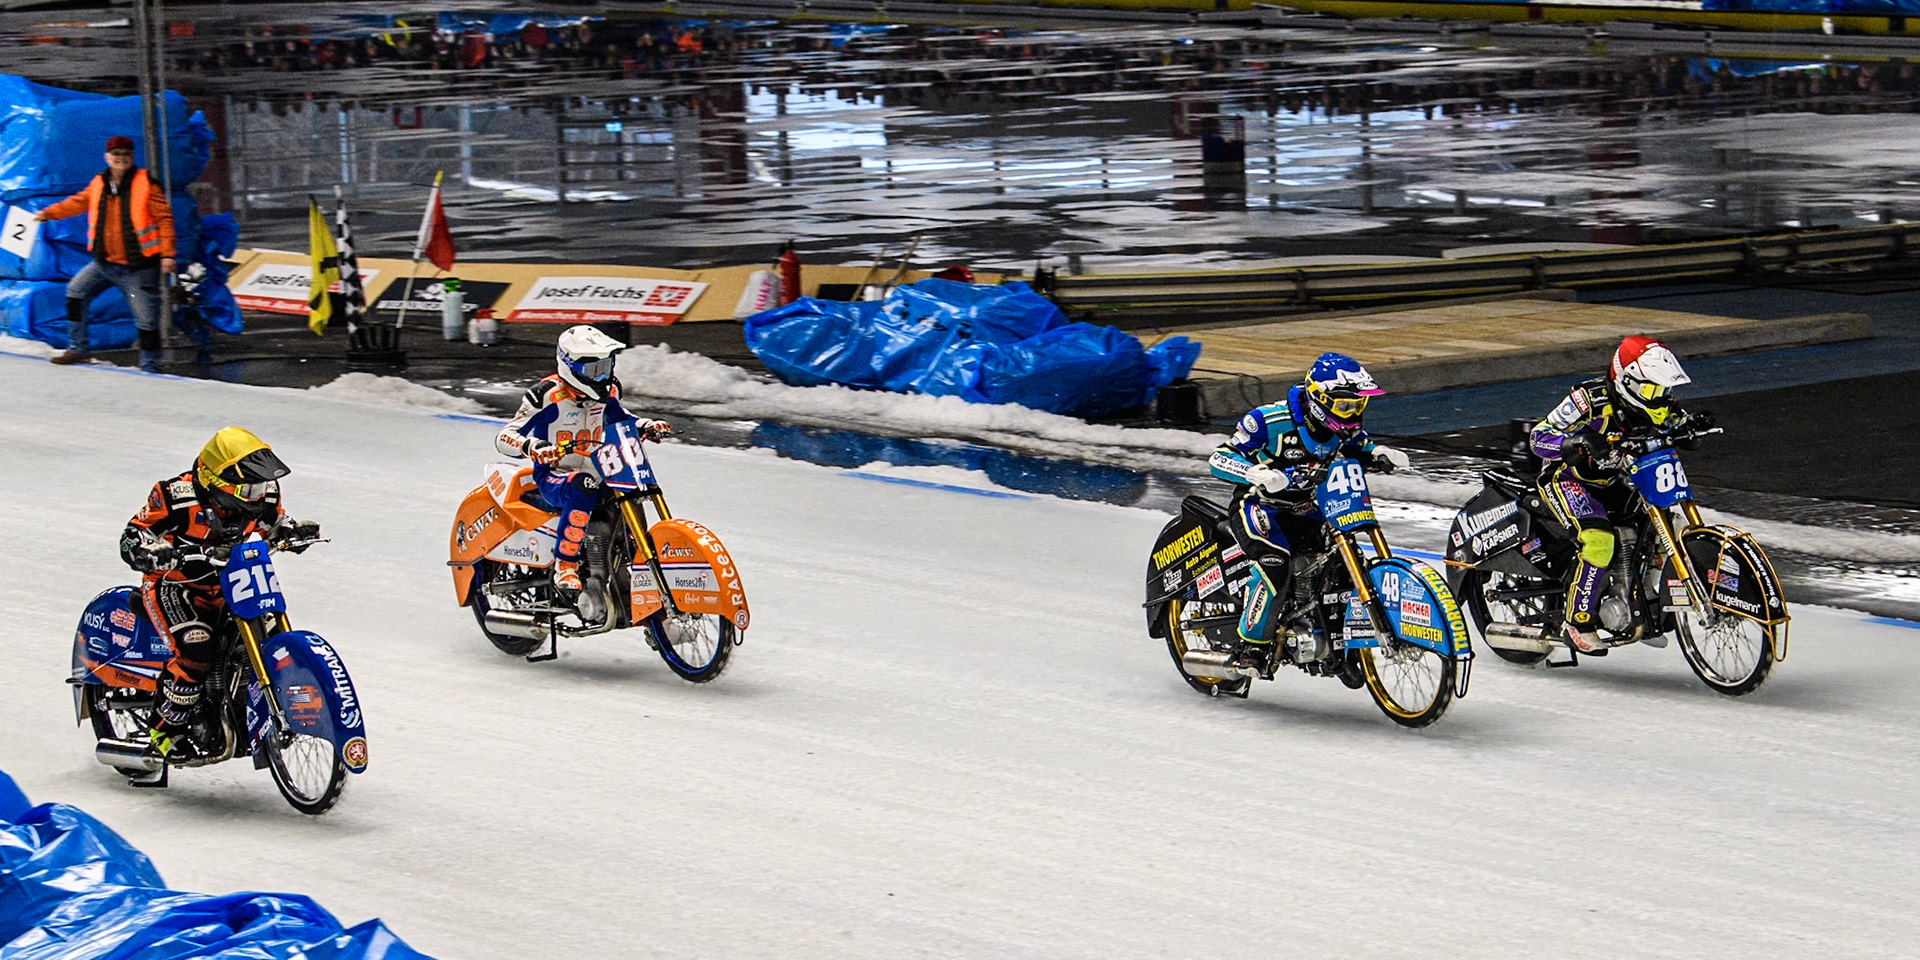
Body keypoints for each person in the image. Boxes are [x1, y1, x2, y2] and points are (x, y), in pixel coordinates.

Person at [120, 427, 319, 761]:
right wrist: (151, 551)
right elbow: (133, 535)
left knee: (267, 635)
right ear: (216, 481)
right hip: (176, 584)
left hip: (234, 579)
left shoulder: (266, 493)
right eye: (248, 487)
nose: (258, 494)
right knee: (197, 649)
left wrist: (291, 532)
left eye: (261, 485)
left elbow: (274, 522)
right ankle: (164, 729)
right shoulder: (174, 495)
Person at [1208, 352, 1409, 666]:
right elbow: (1219, 458)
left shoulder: (1343, 429)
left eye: (1358, 406)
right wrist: (1256, 473)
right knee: (1275, 562)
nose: (1352, 414)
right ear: (1318, 399)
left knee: (1341, 561)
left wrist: (1379, 453)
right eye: (1345, 406)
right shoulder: (1267, 420)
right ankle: (1251, 647)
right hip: (1259, 505)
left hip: (1309, 506)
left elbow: (1361, 446)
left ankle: (1336, 642)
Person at [1529, 336, 1711, 653]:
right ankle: (1577, 623)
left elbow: (1676, 421)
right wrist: (1572, 445)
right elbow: (1539, 437)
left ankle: (1645, 601)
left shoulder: (1657, 401)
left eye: (1664, 390)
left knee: (1665, 527)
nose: (1660, 398)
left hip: (1619, 478)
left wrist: (1693, 425)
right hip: (1570, 479)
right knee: (1600, 541)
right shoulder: (1589, 400)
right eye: (1652, 390)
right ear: (1627, 381)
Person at [495, 326, 672, 615]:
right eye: (593, 369)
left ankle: (631, 570)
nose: (601, 376)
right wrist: (533, 447)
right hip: (555, 475)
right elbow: (505, 435)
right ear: (569, 367)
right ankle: (565, 565)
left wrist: (646, 426)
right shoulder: (547, 396)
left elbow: (621, 419)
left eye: (605, 367)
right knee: (583, 486)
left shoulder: (608, 393)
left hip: (599, 469)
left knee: (625, 491)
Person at [34, 135, 177, 371]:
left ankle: (151, 366)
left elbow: (164, 220)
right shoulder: (99, 182)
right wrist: (47, 214)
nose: (120, 159)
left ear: (132, 158)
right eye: (116, 154)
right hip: (104, 264)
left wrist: (168, 255)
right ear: (107, 157)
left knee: (146, 318)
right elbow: (77, 202)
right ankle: (77, 348)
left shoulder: (146, 184)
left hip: (138, 267)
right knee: (75, 292)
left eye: (125, 155)